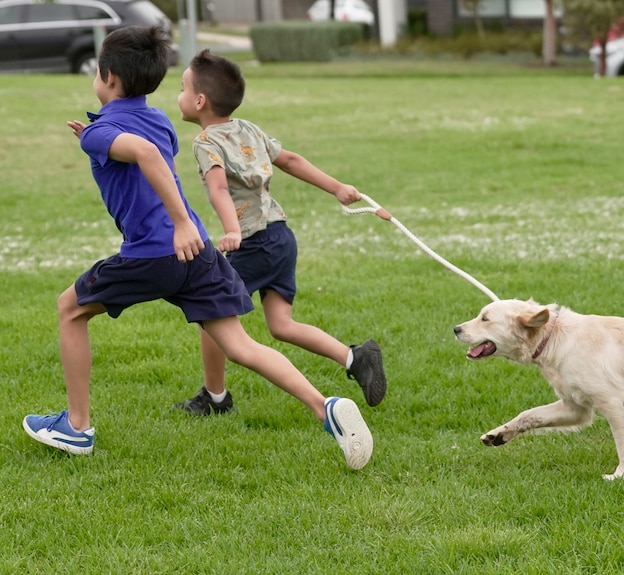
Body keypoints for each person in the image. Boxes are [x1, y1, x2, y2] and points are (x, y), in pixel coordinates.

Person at [21, 26, 373, 470]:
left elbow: (147, 157)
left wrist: (180, 221)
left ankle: (75, 426)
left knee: (69, 309)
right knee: (241, 345)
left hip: (154, 253)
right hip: (200, 253)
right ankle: (326, 408)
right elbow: (145, 152)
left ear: (108, 77)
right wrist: (98, 141)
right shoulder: (158, 120)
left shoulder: (104, 132)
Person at [172, 49, 387, 417]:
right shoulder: (248, 129)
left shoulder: (206, 142)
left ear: (200, 100)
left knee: (209, 309)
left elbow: (219, 189)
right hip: (281, 238)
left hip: (253, 242)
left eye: (181, 88)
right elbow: (290, 160)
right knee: (281, 324)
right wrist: (335, 186)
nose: (177, 96)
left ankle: (215, 398)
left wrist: (231, 230)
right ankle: (355, 357)